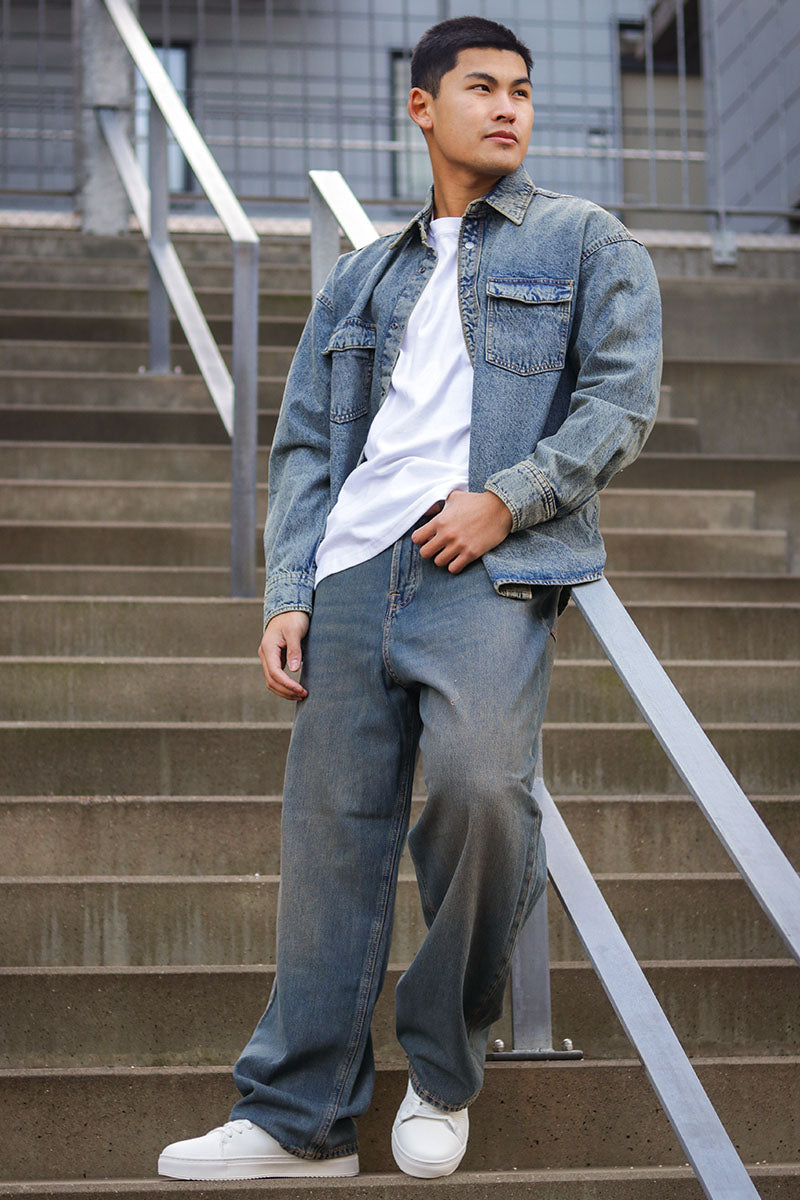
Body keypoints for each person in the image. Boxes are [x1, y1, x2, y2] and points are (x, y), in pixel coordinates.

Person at [158, 14, 662, 1182]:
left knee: (482, 791)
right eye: (480, 87)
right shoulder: (360, 276)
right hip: (350, 572)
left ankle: (441, 1065)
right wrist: (291, 587)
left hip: (480, 564)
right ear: (420, 108)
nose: (507, 106)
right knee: (329, 838)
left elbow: (619, 402)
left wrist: (508, 500)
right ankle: (298, 1120)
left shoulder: (584, 241)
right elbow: (305, 443)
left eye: (520, 89)